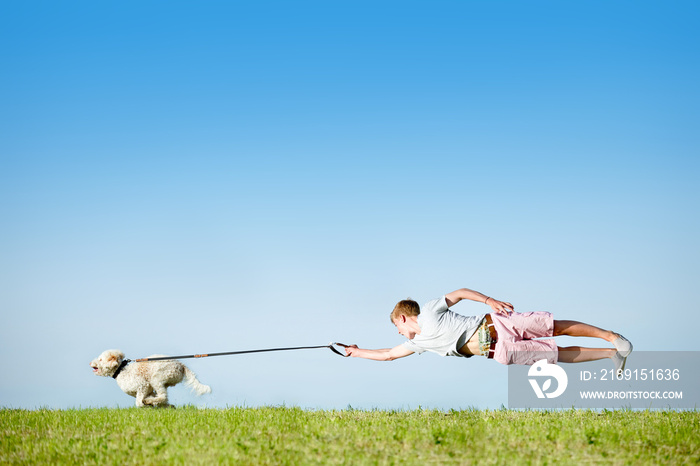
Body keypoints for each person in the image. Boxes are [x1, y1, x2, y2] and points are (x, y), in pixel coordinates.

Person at [344, 288, 633, 373]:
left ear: (404, 317)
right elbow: (387, 355)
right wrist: (355, 353)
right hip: (500, 350)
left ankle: (612, 337)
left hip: (498, 324)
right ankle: (610, 354)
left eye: (396, 326)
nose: (397, 333)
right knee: (557, 356)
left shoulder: (431, 310)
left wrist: (489, 300)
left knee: (554, 328)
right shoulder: (420, 344)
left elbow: (458, 293)